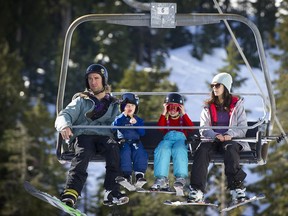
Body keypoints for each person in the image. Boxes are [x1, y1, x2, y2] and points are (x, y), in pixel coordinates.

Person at [55, 63, 129, 207]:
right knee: (83, 154)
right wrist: (64, 125)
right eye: (90, 79)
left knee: (113, 150)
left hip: (105, 137)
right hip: (84, 135)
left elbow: (122, 122)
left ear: (103, 80)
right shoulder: (82, 101)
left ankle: (112, 192)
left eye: (96, 78)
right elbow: (65, 114)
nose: (93, 82)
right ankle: (71, 192)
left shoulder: (114, 104)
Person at [187, 72, 250, 205]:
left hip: (230, 140)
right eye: (212, 85)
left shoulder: (237, 106)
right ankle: (197, 190)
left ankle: (236, 188)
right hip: (213, 140)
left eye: (217, 85)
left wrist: (229, 135)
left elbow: (243, 127)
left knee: (231, 149)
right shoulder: (207, 107)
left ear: (225, 87)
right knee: (202, 150)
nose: (214, 88)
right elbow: (204, 128)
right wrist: (215, 135)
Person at [151, 93, 194, 193]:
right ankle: (162, 178)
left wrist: (184, 113)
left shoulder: (183, 119)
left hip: (180, 139)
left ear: (179, 108)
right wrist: (163, 112)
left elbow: (191, 127)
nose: (172, 110)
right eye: (170, 107)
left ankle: (180, 177)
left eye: (175, 108)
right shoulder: (166, 119)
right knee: (162, 149)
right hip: (168, 139)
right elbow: (160, 128)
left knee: (179, 150)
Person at [112, 93, 148, 188]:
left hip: (135, 142)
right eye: (127, 106)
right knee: (125, 153)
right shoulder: (120, 119)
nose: (130, 108)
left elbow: (142, 133)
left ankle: (139, 175)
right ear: (123, 107)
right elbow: (113, 127)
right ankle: (126, 175)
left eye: (132, 105)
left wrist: (136, 125)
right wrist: (122, 116)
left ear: (136, 108)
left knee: (140, 152)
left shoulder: (138, 120)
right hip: (123, 142)